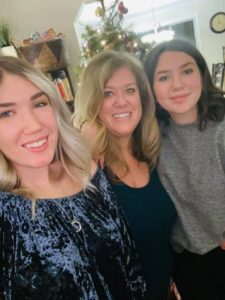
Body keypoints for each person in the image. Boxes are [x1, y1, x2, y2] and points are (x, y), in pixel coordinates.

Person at [0, 56, 147, 300]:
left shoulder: (86, 172)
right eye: (5, 113)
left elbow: (130, 262)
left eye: (39, 104)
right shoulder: (6, 214)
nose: (34, 125)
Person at [73, 50, 177, 300]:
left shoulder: (152, 157)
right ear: (93, 102)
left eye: (130, 90)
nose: (122, 101)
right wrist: (85, 146)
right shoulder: (85, 167)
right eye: (108, 93)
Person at [144, 39, 225, 300]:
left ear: (201, 74)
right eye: (164, 77)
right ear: (151, 87)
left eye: (187, 71)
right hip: (186, 261)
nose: (178, 84)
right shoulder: (150, 134)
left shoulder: (222, 126)